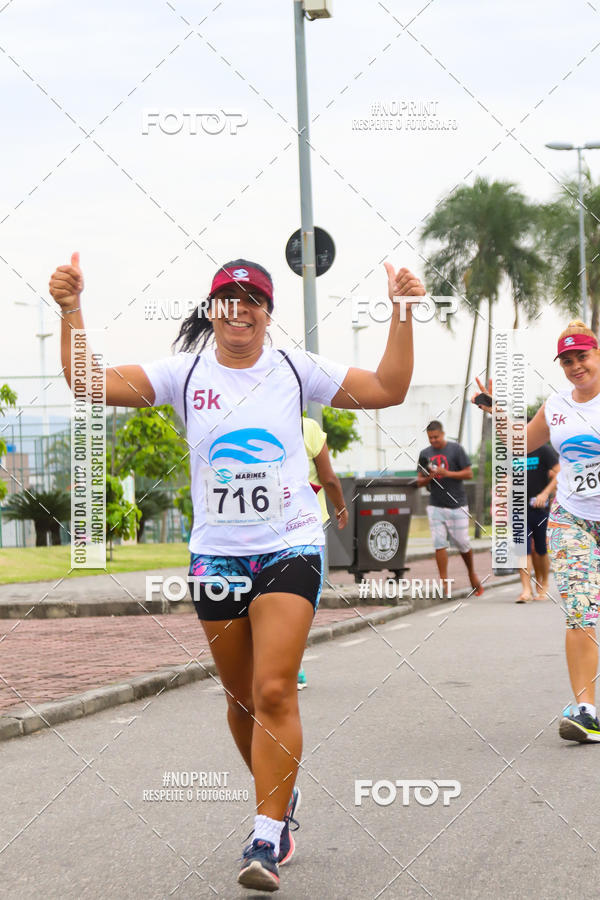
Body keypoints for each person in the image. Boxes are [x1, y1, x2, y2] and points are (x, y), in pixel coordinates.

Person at [49, 252, 425, 891]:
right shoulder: (184, 372)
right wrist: (71, 310)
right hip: (217, 555)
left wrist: (403, 311)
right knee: (242, 699)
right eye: (228, 299)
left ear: (268, 314)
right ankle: (280, 794)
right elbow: (88, 383)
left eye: (252, 301)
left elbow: (388, 388)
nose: (239, 311)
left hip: (290, 547)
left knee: (276, 690)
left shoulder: (294, 368)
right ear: (212, 310)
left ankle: (267, 834)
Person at [473, 320, 600, 743]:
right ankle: (586, 711)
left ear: (596, 354)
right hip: (573, 519)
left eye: (581, 356)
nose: (575, 366)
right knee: (580, 609)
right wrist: (497, 410)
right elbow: (521, 443)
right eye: (567, 361)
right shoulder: (557, 405)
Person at [298, 417, 349, 689]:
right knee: (303, 599)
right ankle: (293, 664)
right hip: (305, 529)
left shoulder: (254, 423)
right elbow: (328, 478)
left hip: (264, 529)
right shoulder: (309, 428)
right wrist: (341, 506)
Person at [416, 421, 483, 597]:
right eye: (430, 438)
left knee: (462, 543)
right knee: (439, 544)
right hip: (435, 504)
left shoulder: (456, 449)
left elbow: (469, 473)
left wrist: (448, 474)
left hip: (458, 504)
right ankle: (444, 582)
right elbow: (418, 481)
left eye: (436, 437)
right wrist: (430, 476)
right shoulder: (425, 454)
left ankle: (471, 573)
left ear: (443, 434)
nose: (433, 440)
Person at [515, 418, 559, 604]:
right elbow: (507, 476)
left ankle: (543, 582)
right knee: (521, 548)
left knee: (541, 550)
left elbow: (560, 473)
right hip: (518, 508)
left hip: (540, 508)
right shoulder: (513, 453)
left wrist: (545, 493)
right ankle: (526, 589)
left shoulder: (544, 450)